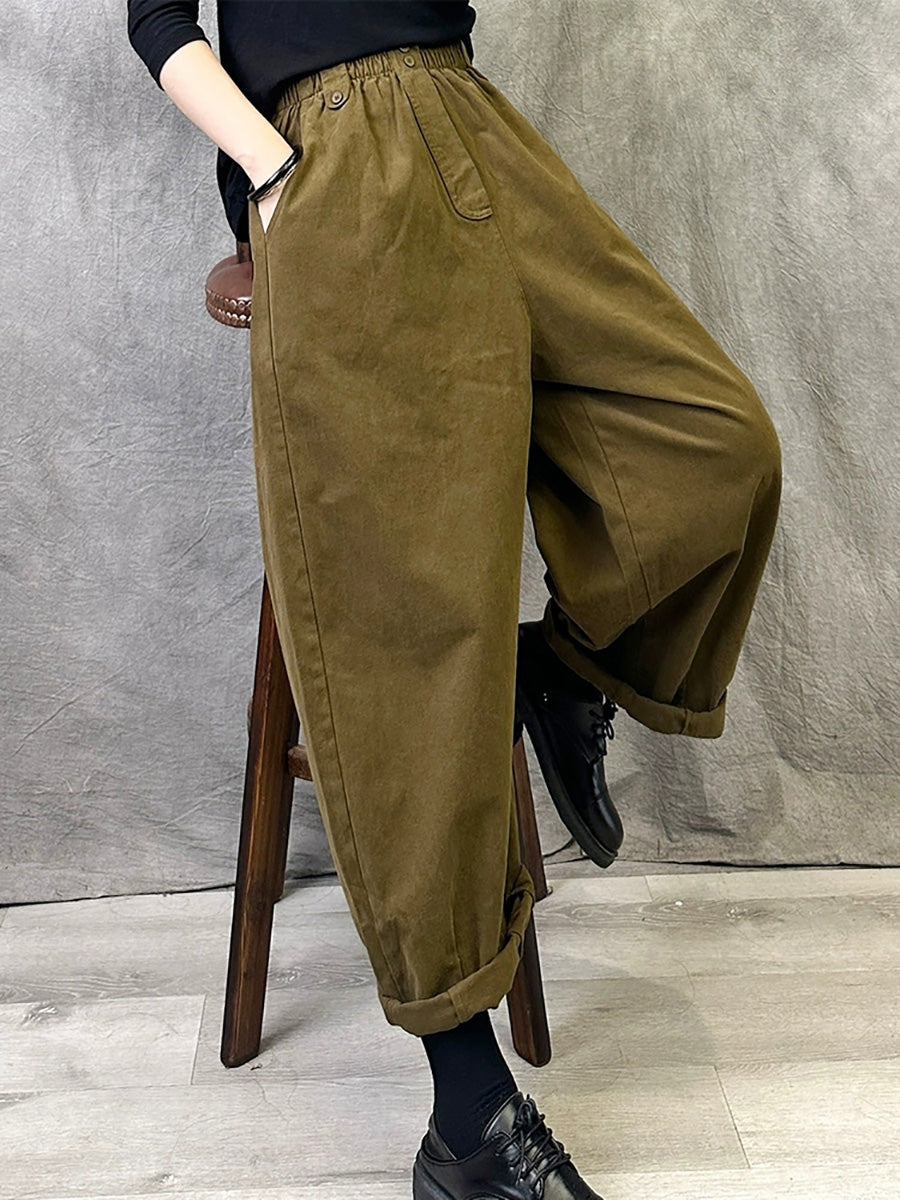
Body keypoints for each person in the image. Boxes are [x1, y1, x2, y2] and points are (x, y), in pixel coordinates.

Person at [126, 4, 783, 1196]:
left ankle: (563, 675)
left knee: (715, 446)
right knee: (409, 640)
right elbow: (156, 14)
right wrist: (275, 168)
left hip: (468, 115)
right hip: (329, 150)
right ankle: (471, 1120)